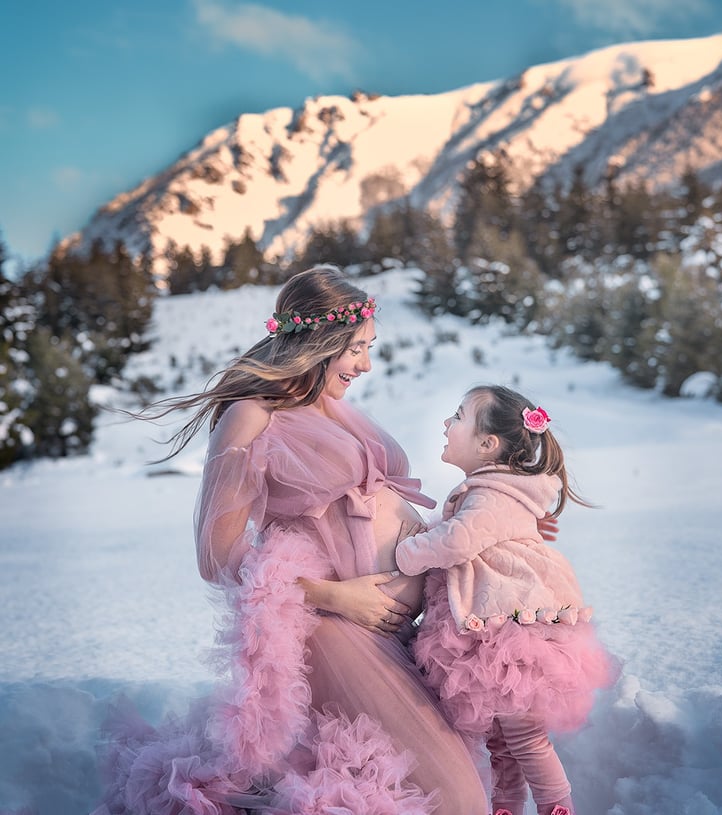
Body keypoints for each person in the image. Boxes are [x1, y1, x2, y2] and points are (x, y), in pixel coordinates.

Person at [92, 265, 492, 815]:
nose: (366, 364)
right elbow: (218, 557)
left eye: (370, 347)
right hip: (330, 630)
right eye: (356, 348)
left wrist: (480, 518)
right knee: (454, 798)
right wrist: (333, 596)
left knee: (450, 787)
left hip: (392, 631)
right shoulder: (251, 417)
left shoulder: (336, 407)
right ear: (319, 341)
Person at [394, 385, 620, 815]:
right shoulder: (490, 490)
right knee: (501, 741)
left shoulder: (491, 494)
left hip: (506, 640)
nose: (446, 423)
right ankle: (506, 807)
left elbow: (457, 542)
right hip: (493, 629)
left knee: (525, 737)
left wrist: (407, 552)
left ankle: (557, 805)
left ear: (487, 443)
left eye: (458, 416)